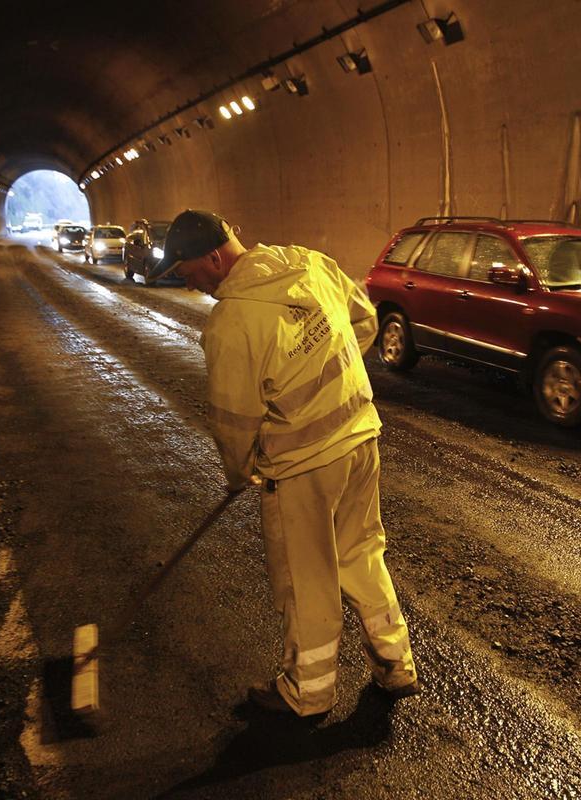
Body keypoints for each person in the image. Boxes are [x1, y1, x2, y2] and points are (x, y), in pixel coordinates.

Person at [149, 209, 420, 717]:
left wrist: (239, 472)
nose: (189, 284)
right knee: (361, 554)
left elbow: (234, 423)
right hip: (361, 438)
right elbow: (363, 319)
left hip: (304, 464)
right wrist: (328, 378)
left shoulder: (232, 324)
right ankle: (395, 663)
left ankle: (307, 693)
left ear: (214, 256)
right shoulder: (306, 263)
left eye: (188, 272)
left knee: (307, 578)